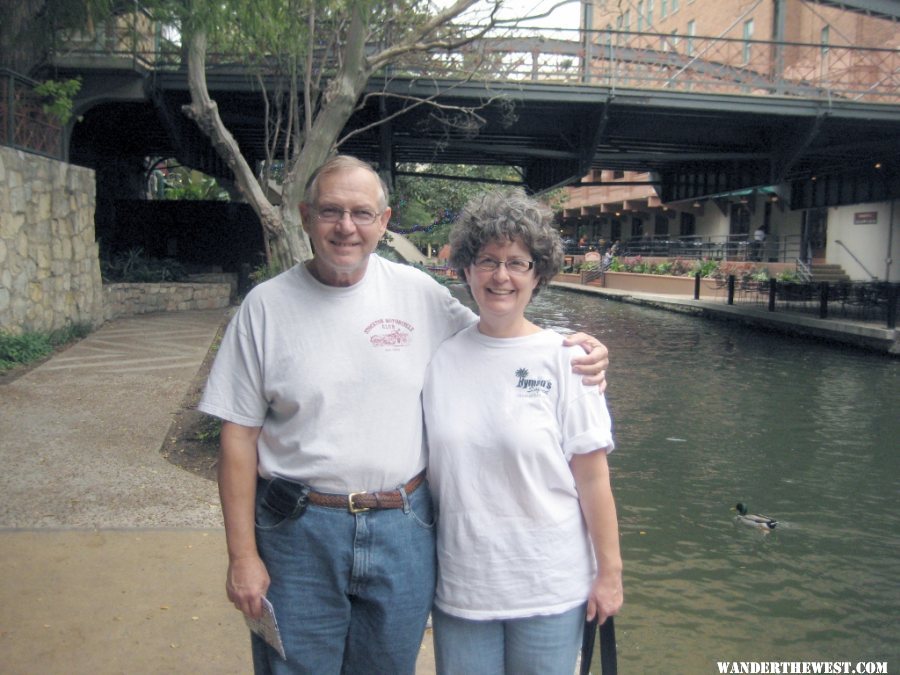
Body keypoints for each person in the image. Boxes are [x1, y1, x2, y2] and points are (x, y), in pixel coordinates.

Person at [197, 155, 611, 674]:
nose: (346, 227)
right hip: (298, 531)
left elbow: (499, 334)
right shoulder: (264, 308)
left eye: (361, 213)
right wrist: (242, 556)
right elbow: (236, 439)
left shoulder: (418, 295)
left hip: (403, 525)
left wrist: (573, 352)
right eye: (331, 211)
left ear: (384, 221)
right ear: (305, 216)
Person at [423, 188, 623, 675]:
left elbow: (593, 480)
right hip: (463, 587)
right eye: (487, 260)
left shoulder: (568, 359)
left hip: (550, 586)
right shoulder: (438, 357)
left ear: (538, 274)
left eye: (517, 262)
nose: (501, 276)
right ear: (467, 269)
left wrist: (609, 574)